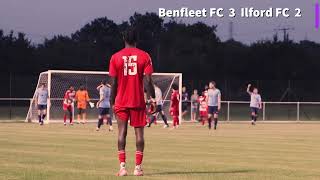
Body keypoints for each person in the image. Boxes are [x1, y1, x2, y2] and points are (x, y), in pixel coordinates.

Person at [109, 27, 155, 176]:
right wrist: (152, 98)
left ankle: (122, 168)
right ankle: (137, 168)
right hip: (137, 101)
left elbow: (113, 83)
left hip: (121, 100)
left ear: (123, 39)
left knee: (121, 133)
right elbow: (148, 81)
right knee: (139, 135)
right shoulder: (145, 56)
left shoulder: (115, 57)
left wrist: (112, 101)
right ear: (137, 39)